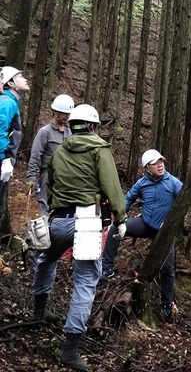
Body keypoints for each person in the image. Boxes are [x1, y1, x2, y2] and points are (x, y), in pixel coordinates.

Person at [31, 104, 126, 372]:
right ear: (93, 126)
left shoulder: (60, 151)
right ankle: (70, 350)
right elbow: (112, 186)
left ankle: (39, 311)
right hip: (87, 223)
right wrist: (121, 219)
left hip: (59, 219)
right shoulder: (99, 149)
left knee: (46, 259)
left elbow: (51, 184)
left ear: (72, 125)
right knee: (85, 280)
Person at [101, 149, 183, 322]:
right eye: (155, 163)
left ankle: (167, 305)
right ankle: (106, 268)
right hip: (145, 224)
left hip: (164, 231)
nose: (160, 165)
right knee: (115, 229)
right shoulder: (142, 183)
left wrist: (171, 223)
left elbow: (184, 204)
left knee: (167, 268)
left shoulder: (174, 183)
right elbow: (127, 199)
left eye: (161, 161)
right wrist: (121, 219)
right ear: (147, 168)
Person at [28, 94, 75, 217]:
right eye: (64, 113)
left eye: (68, 114)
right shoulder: (45, 132)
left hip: (66, 177)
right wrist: (32, 177)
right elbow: (35, 155)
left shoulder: (70, 132)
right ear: (55, 112)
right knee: (45, 206)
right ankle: (45, 233)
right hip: (47, 176)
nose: (67, 116)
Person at [0, 66, 29, 226]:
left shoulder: (11, 102)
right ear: (10, 83)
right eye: (20, 76)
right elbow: (0, 130)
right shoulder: (6, 103)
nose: (25, 79)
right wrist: (4, 158)